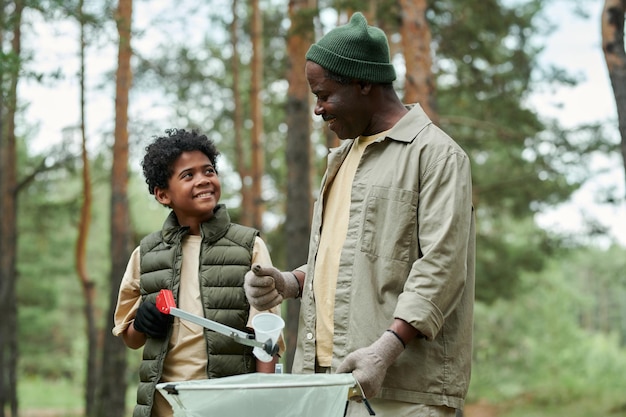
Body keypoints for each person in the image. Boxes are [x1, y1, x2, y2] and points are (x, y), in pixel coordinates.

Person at [244, 12, 475, 417]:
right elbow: (346, 257)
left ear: (364, 83)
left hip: (401, 394)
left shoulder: (437, 155)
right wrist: (289, 282)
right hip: (325, 385)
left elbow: (442, 267)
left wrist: (385, 351)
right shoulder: (343, 157)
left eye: (324, 94)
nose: (317, 109)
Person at [112, 128, 284, 417]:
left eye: (209, 171)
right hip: (162, 409)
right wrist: (142, 323)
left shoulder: (248, 247)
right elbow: (131, 338)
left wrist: (264, 401)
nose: (203, 180)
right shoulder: (145, 254)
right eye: (188, 175)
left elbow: (267, 338)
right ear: (163, 194)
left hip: (230, 408)